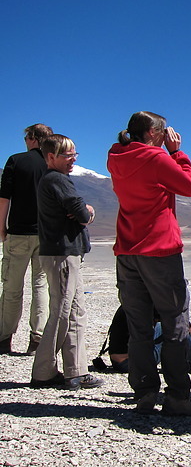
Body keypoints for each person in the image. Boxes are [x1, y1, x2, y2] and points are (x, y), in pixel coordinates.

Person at [107, 111, 191, 415]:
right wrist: (177, 153)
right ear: (152, 131)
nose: (166, 135)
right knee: (175, 323)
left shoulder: (115, 156)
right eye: (162, 131)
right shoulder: (156, 158)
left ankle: (145, 392)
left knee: (139, 328)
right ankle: (177, 397)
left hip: (127, 252)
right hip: (159, 250)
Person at [30, 134, 104, 390]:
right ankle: (43, 373)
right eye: (67, 155)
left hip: (67, 253)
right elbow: (81, 213)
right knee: (62, 313)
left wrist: (82, 211)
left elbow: (77, 211)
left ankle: (76, 371)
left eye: (75, 155)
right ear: (51, 157)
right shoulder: (57, 180)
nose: (72, 160)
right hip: (61, 254)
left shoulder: (56, 179)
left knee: (75, 312)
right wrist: (89, 211)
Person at [0, 124, 52, 355]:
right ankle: (37, 339)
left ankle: (4, 338)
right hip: (45, 235)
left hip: (19, 233)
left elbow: (4, 199)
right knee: (40, 285)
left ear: (32, 138)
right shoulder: (53, 163)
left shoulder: (16, 160)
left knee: (12, 287)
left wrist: (1, 227)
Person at [106, 306, 191, 376]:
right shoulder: (151, 306)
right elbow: (175, 321)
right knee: (178, 328)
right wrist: (188, 326)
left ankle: (188, 362)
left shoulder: (132, 302)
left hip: (117, 361)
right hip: (129, 363)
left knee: (172, 326)